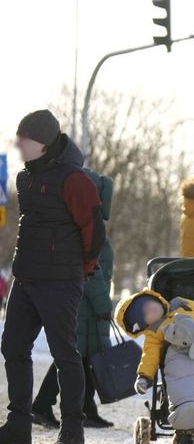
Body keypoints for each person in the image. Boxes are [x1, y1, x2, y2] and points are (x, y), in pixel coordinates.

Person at [0, 110, 105, 444]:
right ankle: (18, 428)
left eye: (23, 138)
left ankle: (72, 433)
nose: (17, 144)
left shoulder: (74, 179)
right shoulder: (25, 178)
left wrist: (80, 269)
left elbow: (94, 230)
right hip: (26, 278)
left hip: (61, 281)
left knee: (64, 354)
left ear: (42, 144)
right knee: (13, 347)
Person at [32, 169, 116, 430]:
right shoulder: (86, 227)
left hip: (83, 303)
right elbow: (92, 270)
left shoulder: (79, 224)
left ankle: (85, 409)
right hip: (84, 303)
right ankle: (43, 405)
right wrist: (104, 305)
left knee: (85, 356)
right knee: (73, 356)